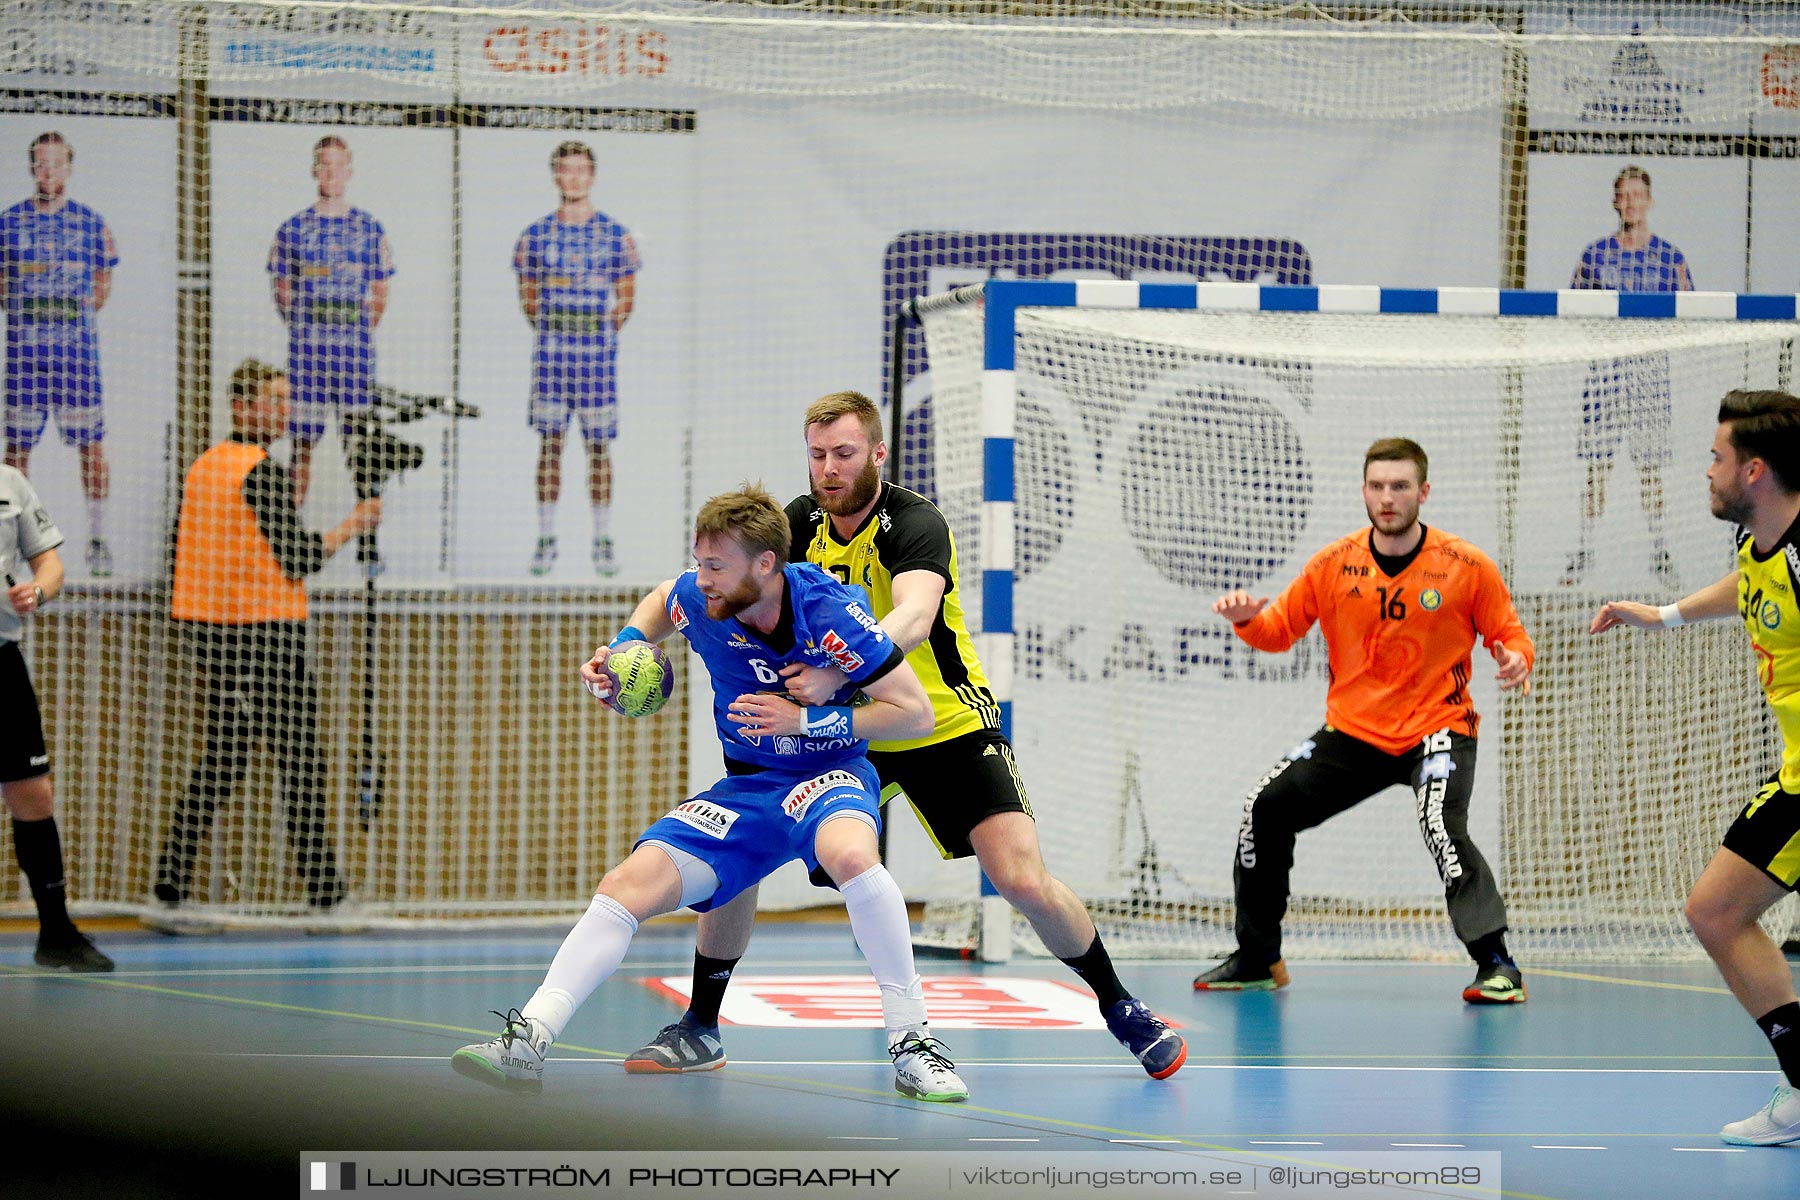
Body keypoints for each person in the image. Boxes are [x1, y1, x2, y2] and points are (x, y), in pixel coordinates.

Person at [622, 392, 1186, 1080]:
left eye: (845, 454)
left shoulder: (915, 522)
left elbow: (915, 615)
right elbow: (717, 590)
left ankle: (1122, 1006)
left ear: (878, 454)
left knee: (1018, 876)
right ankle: (702, 1025)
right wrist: (630, 646)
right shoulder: (796, 525)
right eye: (818, 454)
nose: (829, 469)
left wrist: (838, 663)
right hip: (845, 732)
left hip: (939, 717)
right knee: (742, 847)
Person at [452, 483, 968, 1103]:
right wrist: (621, 651)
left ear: (766, 564)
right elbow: (662, 598)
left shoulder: (830, 612)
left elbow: (914, 715)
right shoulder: (701, 595)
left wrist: (804, 720)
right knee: (623, 887)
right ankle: (529, 1039)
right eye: (700, 562)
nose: (704, 578)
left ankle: (914, 1043)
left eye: (716, 565)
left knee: (855, 857)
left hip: (829, 776)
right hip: (749, 786)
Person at [1193, 438, 1536, 1003]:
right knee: (1263, 809)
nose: (1387, 497)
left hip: (1438, 729)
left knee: (1440, 824)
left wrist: (1516, 656)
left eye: (1400, 486)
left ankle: (1497, 963)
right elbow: (1278, 632)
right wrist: (1249, 620)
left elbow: (1510, 634)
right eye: (1377, 486)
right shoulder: (1333, 564)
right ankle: (1257, 956)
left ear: (1423, 492)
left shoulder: (1467, 567)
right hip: (1353, 734)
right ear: (1363, 491)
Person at [1589, 388, 1800, 1146]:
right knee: (1714, 911)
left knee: (1715, 911)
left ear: (1753, 472)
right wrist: (1664, 615)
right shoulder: (1760, 541)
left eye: (1716, 457)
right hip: (1796, 778)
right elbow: (1751, 588)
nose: (1705, 470)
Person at [155, 360, 381, 908]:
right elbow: (299, 557)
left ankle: (169, 877)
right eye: (273, 400)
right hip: (265, 634)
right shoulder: (257, 470)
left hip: (212, 633)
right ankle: (325, 892)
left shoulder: (205, 467)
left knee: (226, 757)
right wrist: (354, 524)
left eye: (286, 400)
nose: (284, 411)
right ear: (242, 407)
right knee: (300, 758)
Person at [1563, 165, 1694, 589]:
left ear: (1650, 200)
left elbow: (1689, 312)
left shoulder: (1671, 258)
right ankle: (1584, 551)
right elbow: (1574, 307)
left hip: (1649, 377)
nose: (1632, 202)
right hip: (1605, 375)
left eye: (1639, 195)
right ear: (1615, 201)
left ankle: (1659, 552)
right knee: (1597, 470)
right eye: (1625, 195)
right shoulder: (1595, 255)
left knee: (1650, 470)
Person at [1, 464, 111, 968]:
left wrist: (38, 591)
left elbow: (51, 565)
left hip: (2, 656)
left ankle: (56, 932)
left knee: (33, 792)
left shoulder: (10, 483)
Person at [513, 141, 638, 577]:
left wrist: (594, 337)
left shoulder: (614, 235)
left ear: (592, 175)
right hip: (551, 363)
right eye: (565, 170)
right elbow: (528, 297)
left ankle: (602, 539)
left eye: (581, 170)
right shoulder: (535, 236)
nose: (573, 178)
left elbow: (626, 299)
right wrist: (558, 332)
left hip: (596, 366)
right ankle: (546, 538)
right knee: (550, 445)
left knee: (598, 448)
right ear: (555, 175)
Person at [1, 132, 119, 578]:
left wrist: (66, 321)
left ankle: (97, 537)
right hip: (25, 361)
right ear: (32, 168)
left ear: (70, 167)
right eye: (41, 164)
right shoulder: (8, 224)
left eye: (57, 164)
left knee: (90, 446)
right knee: (16, 453)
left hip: (76, 362)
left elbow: (102, 287)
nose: (49, 173)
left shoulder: (92, 224)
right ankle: (11, 544)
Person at [267, 135, 394, 508]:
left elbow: (380, 293)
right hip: (308, 361)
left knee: (360, 447)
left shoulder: (370, 228)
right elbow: (282, 291)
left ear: (350, 171)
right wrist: (307, 330)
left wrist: (353, 332)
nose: (330, 172)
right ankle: (289, 536)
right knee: (301, 448)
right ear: (313, 170)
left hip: (354, 360)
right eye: (323, 164)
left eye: (338, 165)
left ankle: (367, 545)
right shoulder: (292, 229)